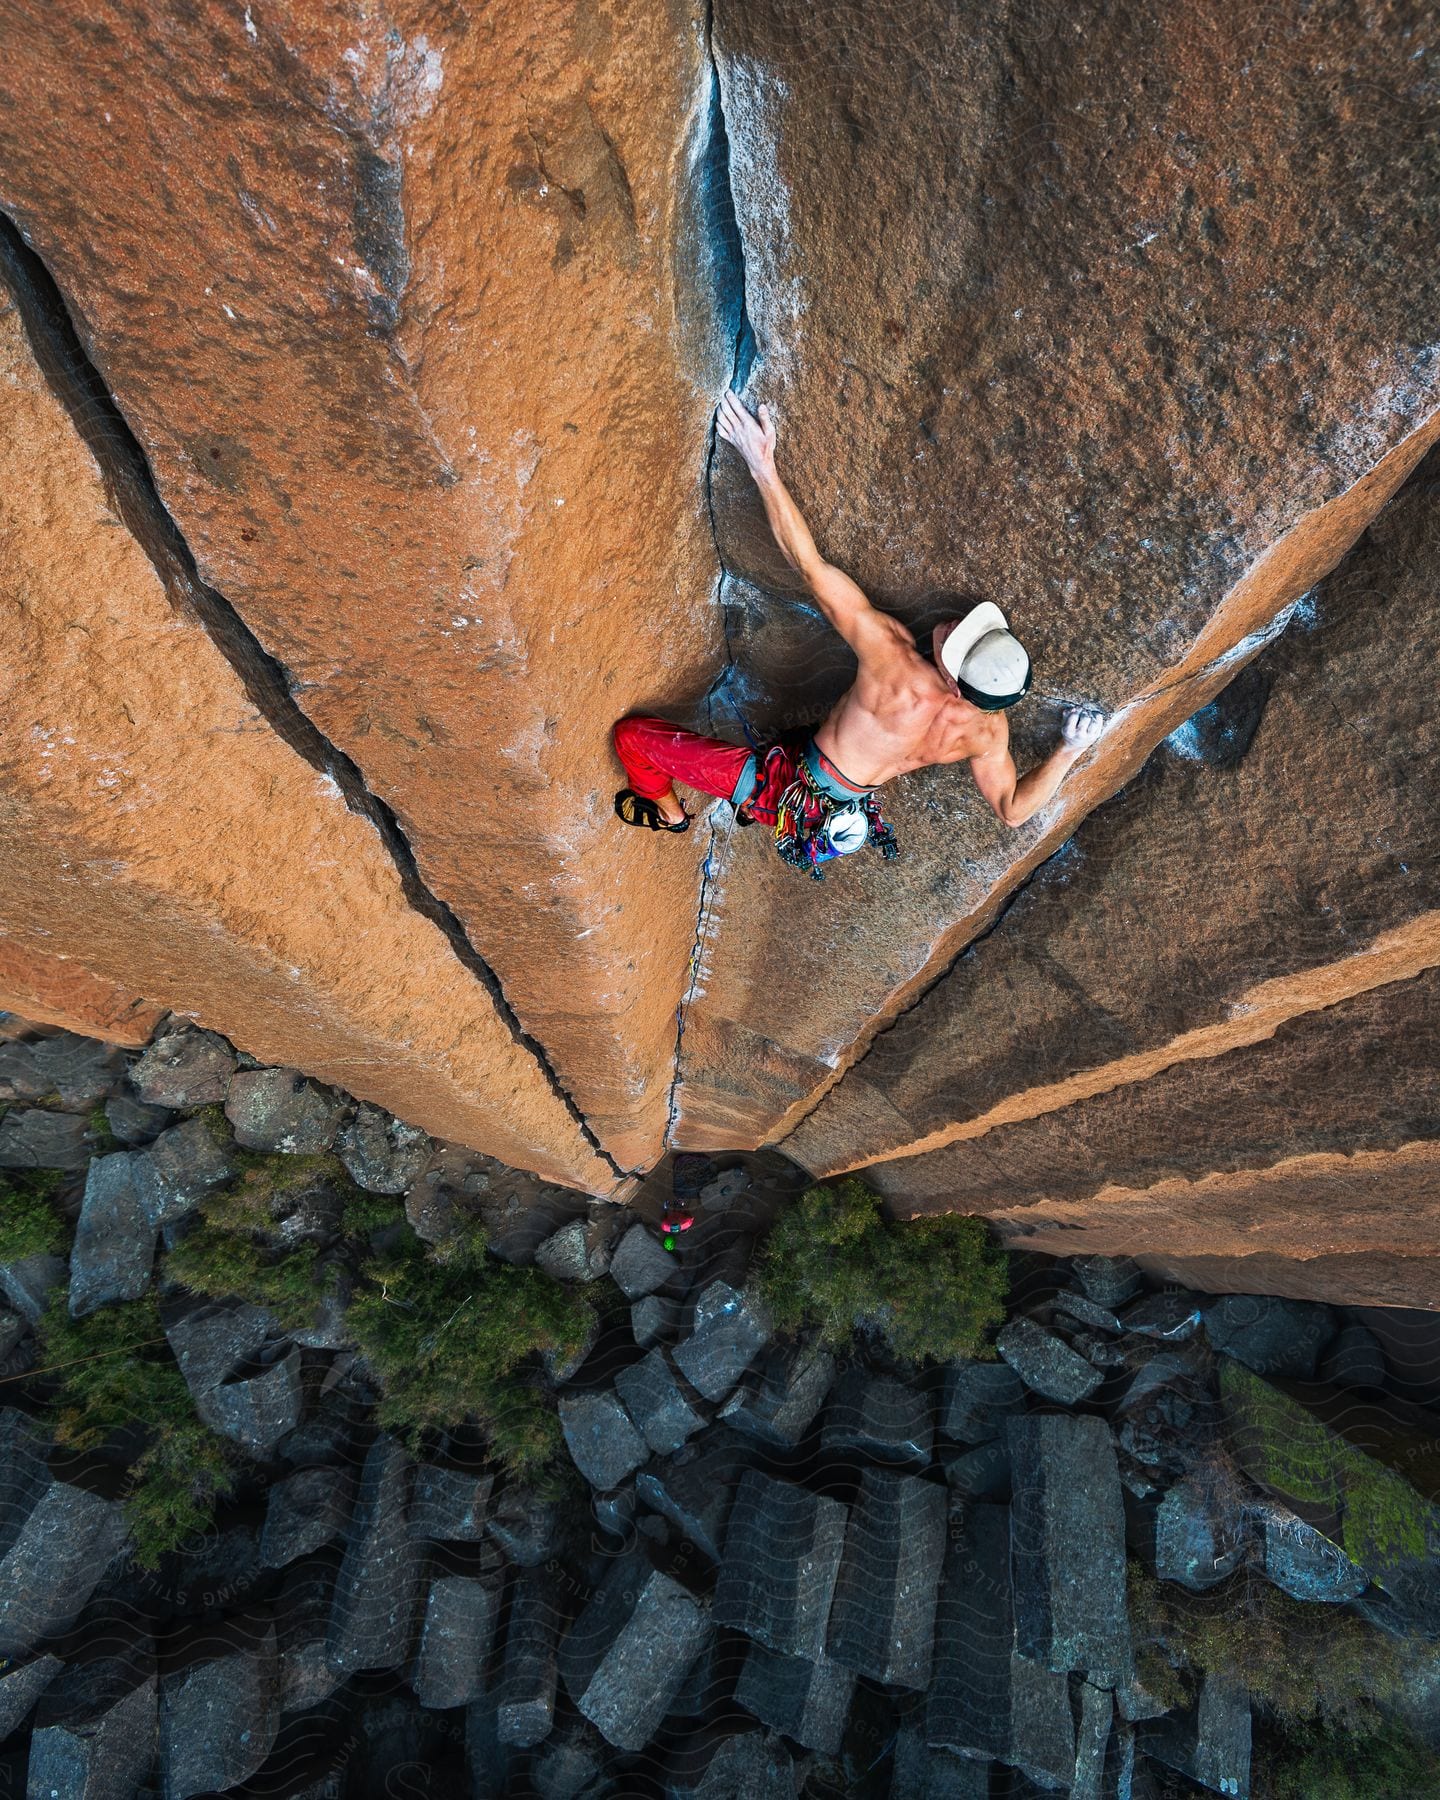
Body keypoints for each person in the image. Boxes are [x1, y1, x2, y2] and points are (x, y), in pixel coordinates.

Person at [613, 391, 1105, 879]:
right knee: (804, 740)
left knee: (632, 738)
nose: (951, 626)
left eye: (956, 642)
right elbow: (1013, 809)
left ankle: (670, 816)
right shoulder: (987, 732)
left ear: (957, 684)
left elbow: (808, 566)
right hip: (841, 801)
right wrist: (1069, 749)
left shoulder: (892, 661)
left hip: (784, 789)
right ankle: (750, 796)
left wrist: (760, 463)